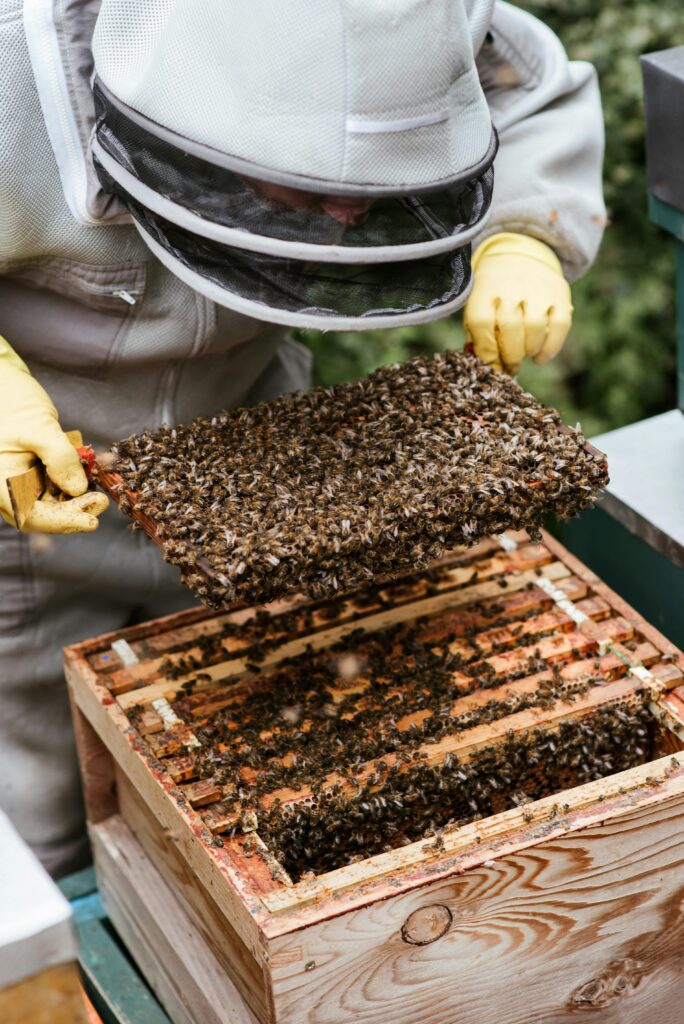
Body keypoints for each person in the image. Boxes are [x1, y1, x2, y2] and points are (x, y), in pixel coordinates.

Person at [0, 0, 605, 877]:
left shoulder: (417, 20)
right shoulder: (16, 69)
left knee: (243, 742)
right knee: (37, 775)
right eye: (309, 183)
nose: (346, 216)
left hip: (254, 468)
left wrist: (525, 231)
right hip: (35, 491)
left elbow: (531, 85)